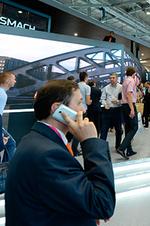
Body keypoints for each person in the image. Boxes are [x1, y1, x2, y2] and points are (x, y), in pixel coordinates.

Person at [5, 79, 115, 225]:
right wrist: (91, 142)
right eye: (79, 102)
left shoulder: (35, 140)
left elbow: (60, 193)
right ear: (58, 109)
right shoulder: (49, 155)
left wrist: (85, 209)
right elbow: (102, 204)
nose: (83, 110)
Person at [116, 67, 138, 159]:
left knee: (128, 128)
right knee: (134, 127)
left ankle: (129, 150)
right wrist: (132, 109)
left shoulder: (125, 81)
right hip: (129, 105)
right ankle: (122, 147)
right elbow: (129, 95)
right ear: (133, 73)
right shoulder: (131, 81)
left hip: (123, 106)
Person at [100, 73, 123, 150]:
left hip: (117, 110)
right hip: (107, 111)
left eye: (113, 78)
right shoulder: (106, 88)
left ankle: (118, 146)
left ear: (117, 79)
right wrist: (105, 104)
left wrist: (117, 101)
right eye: (110, 78)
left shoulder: (121, 88)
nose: (111, 79)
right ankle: (102, 147)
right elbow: (102, 98)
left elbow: (123, 100)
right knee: (104, 130)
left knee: (118, 130)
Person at [71, 71, 92, 156]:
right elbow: (88, 101)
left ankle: (74, 148)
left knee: (75, 129)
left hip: (74, 110)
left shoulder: (75, 86)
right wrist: (91, 101)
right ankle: (75, 150)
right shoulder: (87, 87)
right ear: (86, 78)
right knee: (80, 130)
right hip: (83, 110)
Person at [0, 72, 16, 160]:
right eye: (13, 79)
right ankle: (5, 171)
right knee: (11, 143)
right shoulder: (2, 95)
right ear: (7, 81)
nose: (15, 81)